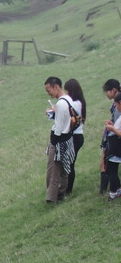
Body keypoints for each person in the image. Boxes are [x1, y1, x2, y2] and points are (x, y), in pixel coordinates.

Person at [44, 76, 75, 204]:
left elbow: (59, 126)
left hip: (59, 140)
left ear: (56, 87)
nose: (48, 93)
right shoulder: (68, 100)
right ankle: (61, 192)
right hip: (67, 139)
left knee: (53, 171)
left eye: (49, 90)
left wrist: (54, 142)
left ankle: (52, 197)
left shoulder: (61, 103)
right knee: (63, 169)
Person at [63, 78, 86, 195]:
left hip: (75, 136)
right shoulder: (80, 102)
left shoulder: (75, 104)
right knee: (70, 162)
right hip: (78, 136)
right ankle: (67, 188)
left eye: (67, 91)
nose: (66, 93)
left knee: (70, 163)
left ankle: (68, 189)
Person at [100, 79, 121, 199]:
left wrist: (112, 129)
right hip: (114, 141)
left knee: (111, 167)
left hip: (115, 143)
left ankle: (114, 192)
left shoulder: (118, 109)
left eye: (107, 91)